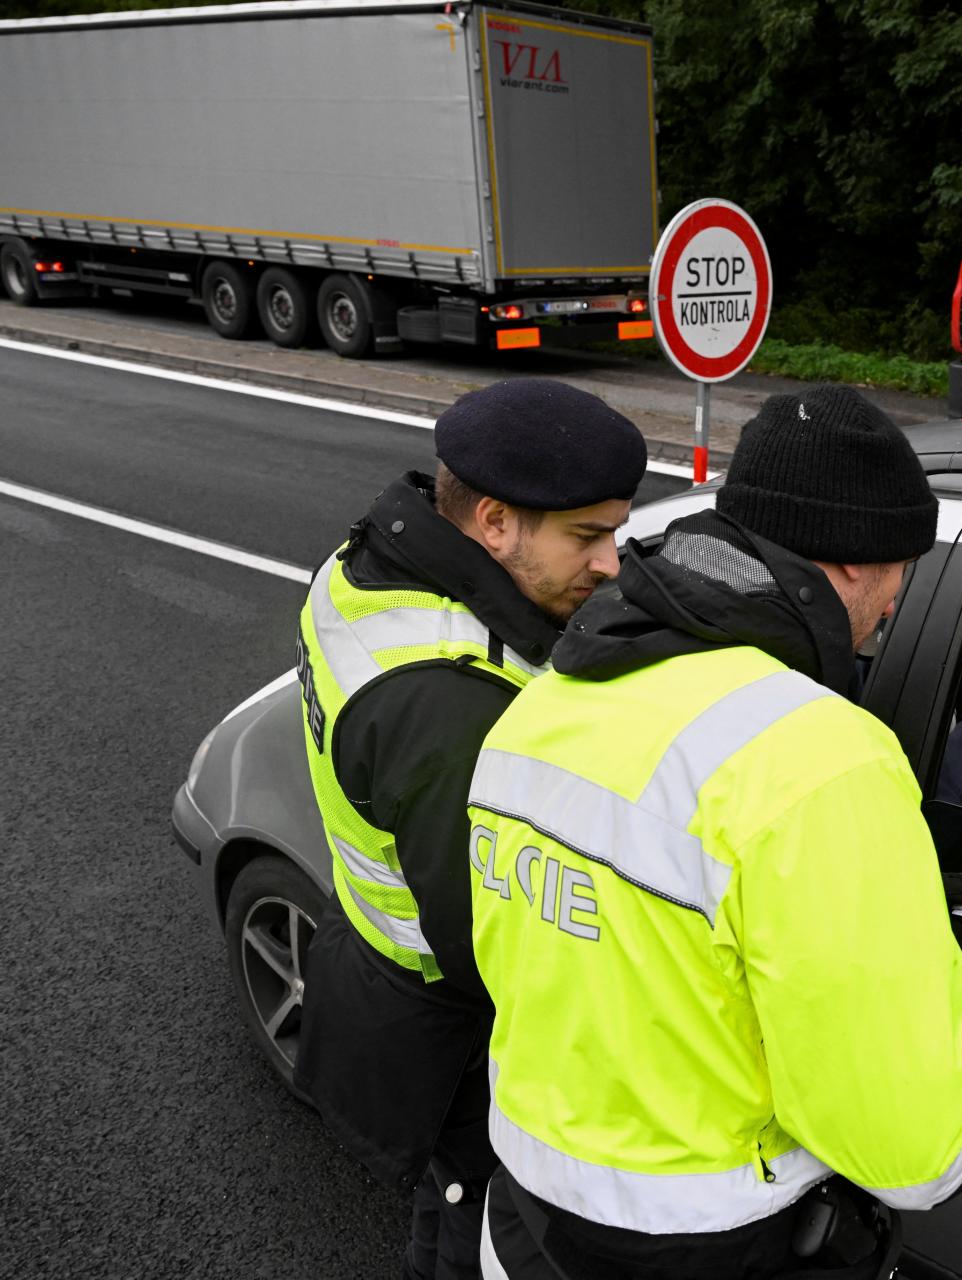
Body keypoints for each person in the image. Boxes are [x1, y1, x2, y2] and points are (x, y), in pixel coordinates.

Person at [465, 385, 962, 1278]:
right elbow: (919, 1151)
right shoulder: (821, 760)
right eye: (904, 571)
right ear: (854, 565)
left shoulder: (545, 703)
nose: (897, 604)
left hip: (526, 1218)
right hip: (724, 1244)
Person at [293, 378, 649, 1280]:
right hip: (449, 1029)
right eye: (588, 536)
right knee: (473, 1216)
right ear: (494, 523)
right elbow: (499, 947)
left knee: (447, 1189)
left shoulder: (365, 563)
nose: (611, 562)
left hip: (373, 959)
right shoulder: (452, 710)